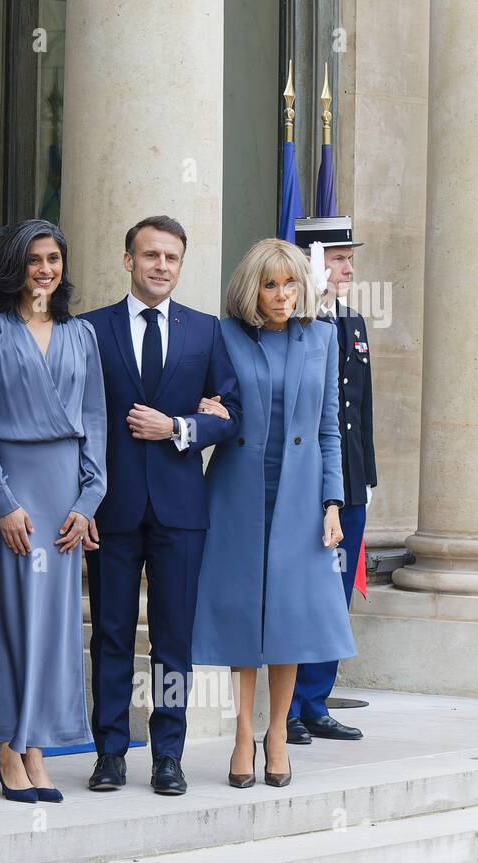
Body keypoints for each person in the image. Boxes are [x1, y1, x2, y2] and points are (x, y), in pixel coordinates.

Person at [0, 219, 106, 803]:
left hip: (65, 495)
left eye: (55, 259)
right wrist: (0, 500)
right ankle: (7, 746)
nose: (46, 269)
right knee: (8, 613)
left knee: (55, 622)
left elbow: (96, 423)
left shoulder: (81, 336)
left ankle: (35, 742)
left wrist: (89, 502)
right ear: (16, 266)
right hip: (11, 492)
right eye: (35, 259)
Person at [81, 215, 241, 796]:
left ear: (181, 263)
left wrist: (177, 425)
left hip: (179, 512)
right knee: (112, 635)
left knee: (173, 640)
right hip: (111, 509)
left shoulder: (205, 332)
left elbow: (232, 416)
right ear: (129, 261)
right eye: (150, 256)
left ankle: (167, 755)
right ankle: (109, 752)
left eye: (171, 258)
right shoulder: (91, 330)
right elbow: (75, 421)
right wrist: (82, 503)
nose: (160, 266)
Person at [191, 238, 357, 788]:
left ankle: (278, 732)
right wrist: (205, 408)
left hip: (303, 494)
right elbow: (211, 400)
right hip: (238, 489)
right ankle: (243, 733)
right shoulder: (225, 334)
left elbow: (329, 427)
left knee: (291, 619)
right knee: (244, 611)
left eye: (289, 284)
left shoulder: (323, 338)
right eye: (269, 285)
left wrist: (332, 502)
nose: (281, 296)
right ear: (251, 289)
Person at [288, 216, 373, 745]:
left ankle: (316, 700)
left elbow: (359, 412)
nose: (347, 267)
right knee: (303, 594)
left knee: (334, 597)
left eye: (348, 258)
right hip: (308, 482)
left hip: (350, 479)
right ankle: (289, 706)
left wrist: (367, 480)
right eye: (337, 258)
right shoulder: (291, 325)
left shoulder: (354, 322)